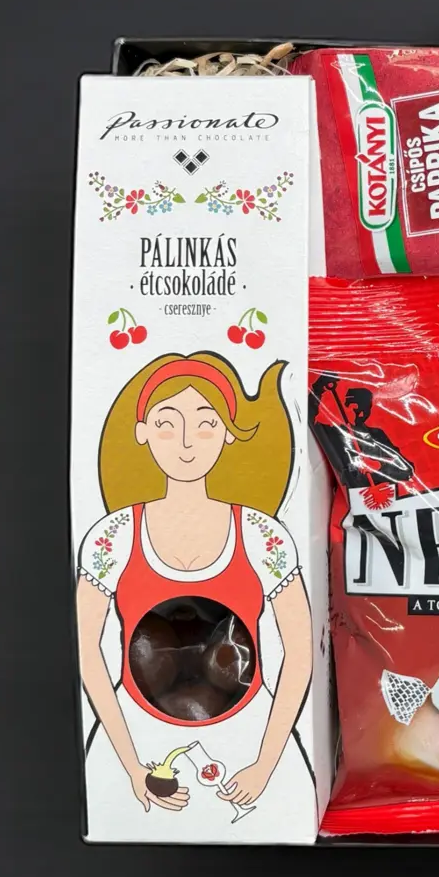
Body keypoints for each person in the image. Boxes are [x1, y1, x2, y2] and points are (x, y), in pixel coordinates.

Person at [75, 352, 314, 841]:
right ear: (142, 432)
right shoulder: (113, 536)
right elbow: (86, 651)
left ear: (227, 434)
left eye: (206, 425)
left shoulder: (262, 534)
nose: (186, 442)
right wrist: (133, 768)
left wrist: (265, 765)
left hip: (251, 735)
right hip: (138, 733)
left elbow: (300, 653)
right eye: (168, 424)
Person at [309, 376, 414, 508]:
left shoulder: (377, 435)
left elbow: (406, 470)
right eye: (351, 404)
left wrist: (378, 468)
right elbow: (309, 417)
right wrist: (318, 389)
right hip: (357, 504)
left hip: (389, 504)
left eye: (362, 406)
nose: (357, 410)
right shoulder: (335, 433)